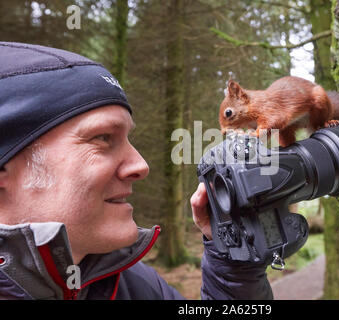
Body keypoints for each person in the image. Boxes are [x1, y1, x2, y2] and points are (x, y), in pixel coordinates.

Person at [0, 42, 272, 300]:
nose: (141, 165)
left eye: (128, 138)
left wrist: (234, 261)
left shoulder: (126, 281)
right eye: (103, 137)